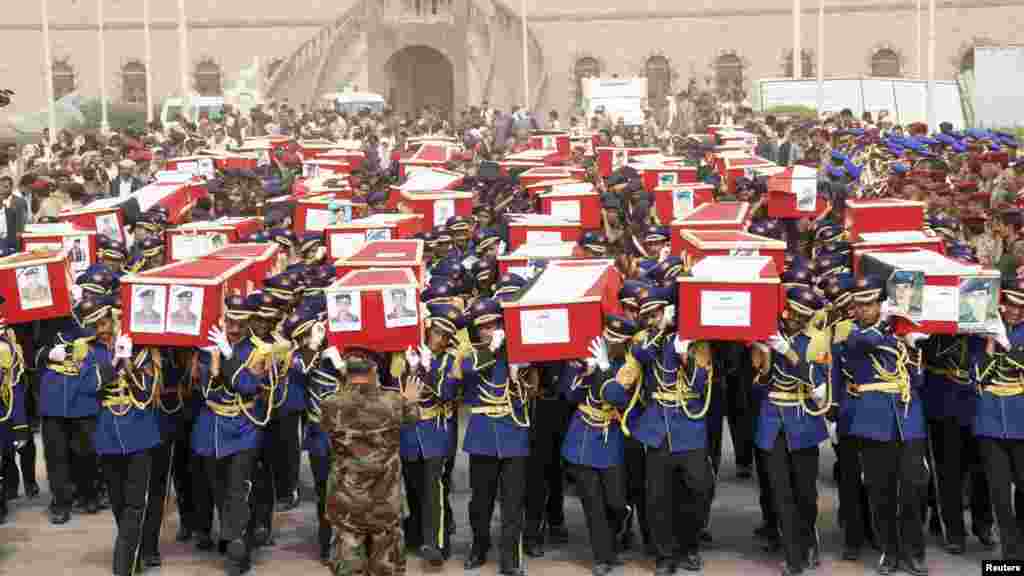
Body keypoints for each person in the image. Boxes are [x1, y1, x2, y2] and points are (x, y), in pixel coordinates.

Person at [846, 275, 930, 576]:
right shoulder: (855, 334)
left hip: (908, 418)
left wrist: (913, 347)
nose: (865, 309)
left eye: (871, 304)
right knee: (880, 490)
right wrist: (891, 324)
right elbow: (867, 341)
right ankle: (890, 551)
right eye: (861, 304)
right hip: (873, 420)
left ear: (880, 304)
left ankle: (914, 551)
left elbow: (917, 381)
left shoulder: (899, 336)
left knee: (913, 487)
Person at [322, 348, 424, 576]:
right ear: (375, 369)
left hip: (346, 501)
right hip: (385, 501)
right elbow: (413, 417)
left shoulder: (330, 403)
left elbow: (329, 424)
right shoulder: (394, 401)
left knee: (348, 568)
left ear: (345, 369)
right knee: (386, 569)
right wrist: (410, 400)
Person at [85, 297, 161, 576]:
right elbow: (87, 386)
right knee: (118, 501)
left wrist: (127, 364)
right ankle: (134, 552)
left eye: (105, 323)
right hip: (107, 433)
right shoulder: (90, 351)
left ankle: (123, 562)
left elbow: (145, 393)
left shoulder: (141, 348)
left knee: (134, 501)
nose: (101, 330)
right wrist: (113, 361)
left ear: (116, 320)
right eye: (96, 325)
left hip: (139, 430)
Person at [460, 298, 534, 576]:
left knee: (513, 502)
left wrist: (521, 371)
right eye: (485, 327)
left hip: (513, 434)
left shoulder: (518, 351)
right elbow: (467, 374)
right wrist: (491, 349)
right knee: (481, 502)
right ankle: (478, 548)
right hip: (483, 436)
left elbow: (534, 386)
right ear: (477, 331)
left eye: (495, 325)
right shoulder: (472, 353)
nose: (490, 331)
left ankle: (510, 558)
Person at [560, 318, 638, 575]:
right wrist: (587, 373)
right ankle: (602, 556)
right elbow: (569, 395)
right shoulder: (586, 356)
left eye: (615, 341)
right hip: (583, 436)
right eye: (607, 338)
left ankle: (613, 539)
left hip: (611, 437)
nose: (609, 344)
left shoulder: (629, 365)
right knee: (593, 504)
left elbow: (617, 398)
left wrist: (604, 368)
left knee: (616, 502)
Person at [974, 276, 1024, 562]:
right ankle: (1011, 554)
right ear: (1001, 305)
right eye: (1010, 305)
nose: (1016, 311)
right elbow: (980, 376)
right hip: (991, 422)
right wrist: (992, 340)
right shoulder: (986, 334)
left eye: (1021, 306)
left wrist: (1008, 347)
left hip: (1020, 419)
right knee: (1000, 493)